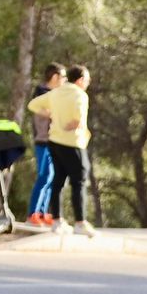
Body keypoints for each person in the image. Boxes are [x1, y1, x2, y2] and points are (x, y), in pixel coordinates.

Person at [27, 65, 95, 236]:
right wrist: (74, 123)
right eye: (87, 80)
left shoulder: (56, 93)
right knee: (79, 182)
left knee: (57, 181)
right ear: (80, 80)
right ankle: (80, 222)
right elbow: (79, 119)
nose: (88, 83)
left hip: (54, 141)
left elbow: (33, 104)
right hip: (73, 142)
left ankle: (57, 221)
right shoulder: (80, 95)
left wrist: (50, 113)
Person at [25, 63, 63, 227]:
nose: (64, 81)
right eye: (63, 77)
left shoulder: (53, 95)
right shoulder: (42, 93)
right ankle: (32, 214)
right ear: (54, 77)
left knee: (52, 177)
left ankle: (42, 212)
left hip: (53, 141)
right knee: (45, 175)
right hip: (43, 141)